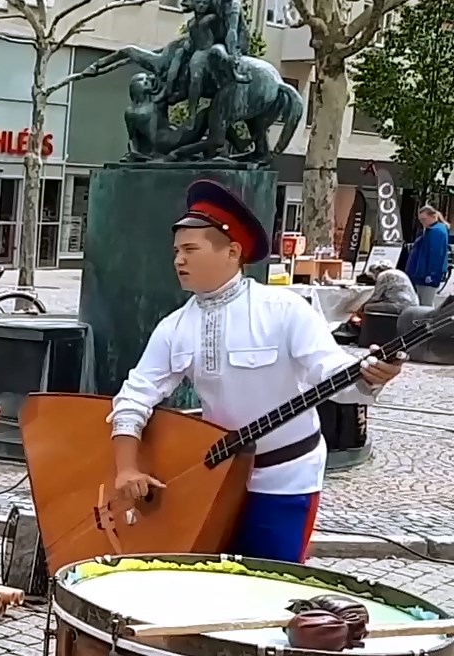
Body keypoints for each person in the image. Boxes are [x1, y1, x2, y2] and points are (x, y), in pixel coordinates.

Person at [110, 180, 404, 563]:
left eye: (190, 250)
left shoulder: (284, 309)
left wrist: (370, 373)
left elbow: (329, 371)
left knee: (272, 583)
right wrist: (126, 468)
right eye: (176, 251)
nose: (178, 260)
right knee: (209, 581)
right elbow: (134, 396)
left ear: (232, 252)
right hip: (215, 477)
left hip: (287, 476)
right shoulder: (175, 327)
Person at [406, 206, 449, 306]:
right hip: (421, 273)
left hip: (425, 274)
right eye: (421, 220)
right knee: (424, 303)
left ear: (433, 216)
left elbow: (436, 254)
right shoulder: (433, 230)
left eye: (424, 219)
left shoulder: (436, 231)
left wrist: (431, 274)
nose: (422, 222)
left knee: (425, 304)